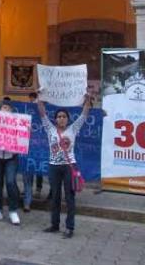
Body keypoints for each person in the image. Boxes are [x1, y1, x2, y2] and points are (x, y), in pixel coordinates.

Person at [38, 92, 92, 239]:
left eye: (64, 116)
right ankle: (54, 225)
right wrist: (40, 98)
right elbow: (42, 113)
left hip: (69, 167)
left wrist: (87, 100)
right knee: (55, 196)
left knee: (70, 198)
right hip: (54, 166)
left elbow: (84, 115)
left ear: (68, 119)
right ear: (55, 119)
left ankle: (69, 227)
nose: (61, 119)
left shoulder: (73, 129)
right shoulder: (50, 129)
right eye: (59, 116)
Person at [0, 99, 22, 224]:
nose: (5, 110)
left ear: (11, 110)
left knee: (11, 182)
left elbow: (22, 137)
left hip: (11, 158)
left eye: (8, 108)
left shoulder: (17, 123)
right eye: (3, 107)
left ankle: (13, 210)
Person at [23, 91, 43, 210]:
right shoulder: (27, 115)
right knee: (28, 177)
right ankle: (28, 199)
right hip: (28, 151)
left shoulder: (42, 115)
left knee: (33, 174)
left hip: (38, 150)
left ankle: (29, 198)